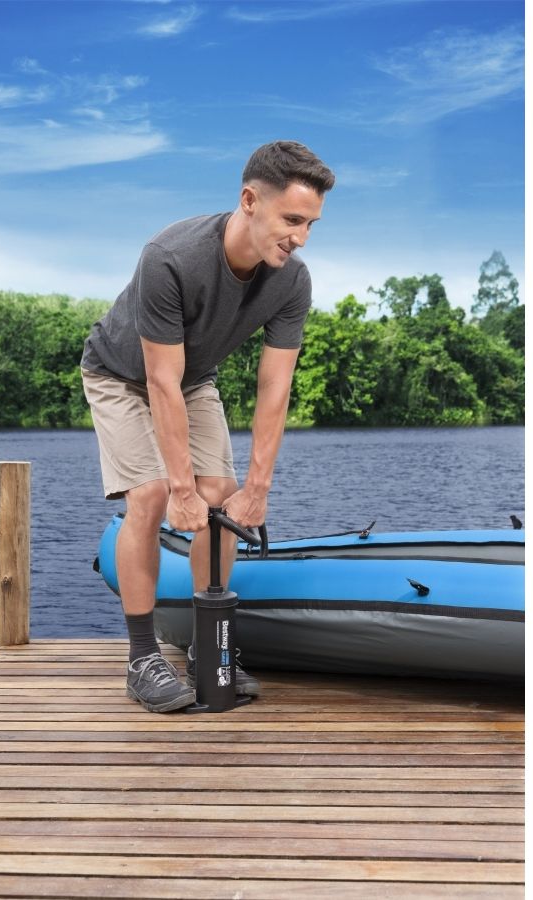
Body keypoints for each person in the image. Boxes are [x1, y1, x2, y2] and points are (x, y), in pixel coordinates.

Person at [80, 140, 335, 712]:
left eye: (310, 224)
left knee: (221, 494)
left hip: (193, 379)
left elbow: (274, 388)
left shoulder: (291, 281)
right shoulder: (171, 256)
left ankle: (207, 649)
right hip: (119, 373)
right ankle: (142, 658)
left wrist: (258, 488)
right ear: (250, 201)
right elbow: (159, 381)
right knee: (150, 495)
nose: (300, 237)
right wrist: (179, 487)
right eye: (291, 220)